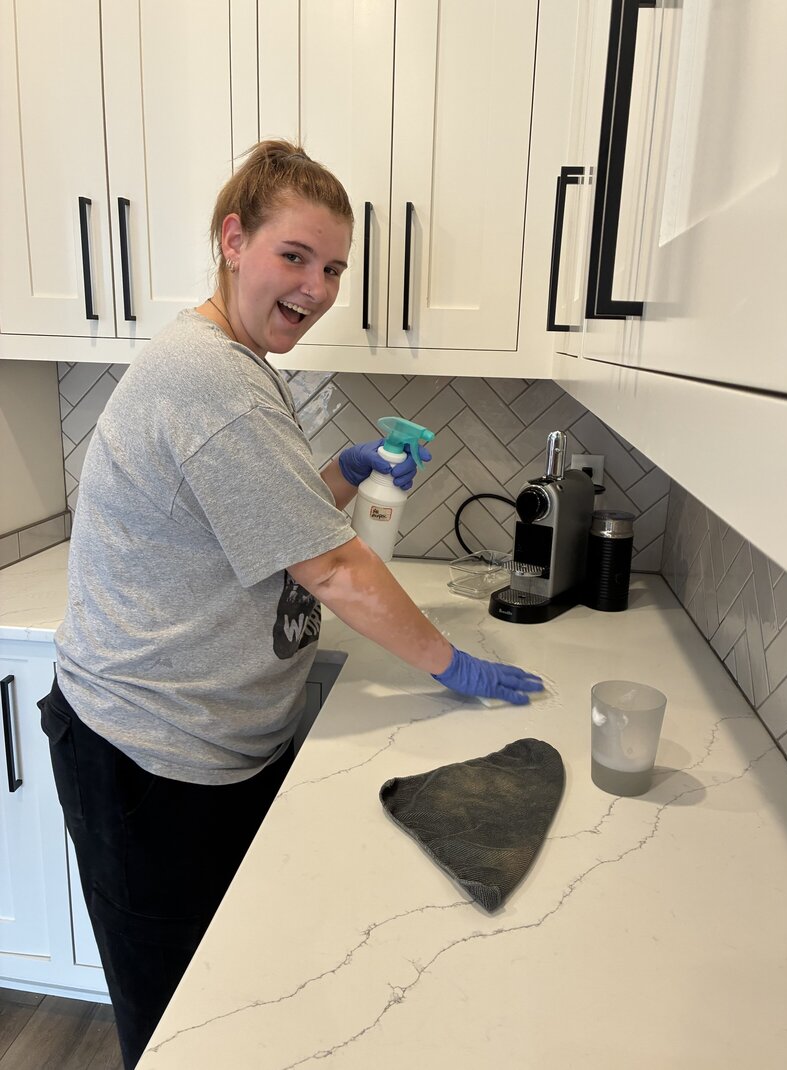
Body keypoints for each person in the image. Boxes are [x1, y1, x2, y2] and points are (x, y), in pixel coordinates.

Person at [38, 140, 542, 1069]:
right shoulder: (214, 379)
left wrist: (339, 476)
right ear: (235, 240)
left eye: (335, 267)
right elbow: (335, 572)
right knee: (182, 1020)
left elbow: (261, 522)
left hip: (200, 744)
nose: (317, 286)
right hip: (149, 756)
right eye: (296, 256)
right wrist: (452, 665)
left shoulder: (227, 359)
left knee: (231, 995)